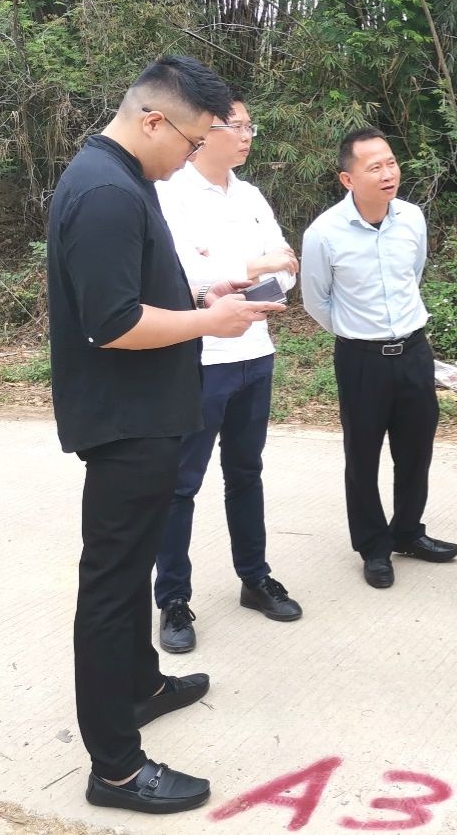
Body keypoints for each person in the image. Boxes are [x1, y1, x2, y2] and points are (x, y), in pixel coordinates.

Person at [47, 55, 284, 814]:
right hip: (126, 423)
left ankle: (141, 687)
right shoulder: (106, 192)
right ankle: (116, 769)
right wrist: (211, 324)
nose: (191, 156)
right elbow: (113, 323)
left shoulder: (123, 178)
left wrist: (206, 294)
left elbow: (138, 288)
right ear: (153, 120)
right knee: (113, 588)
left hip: (149, 414)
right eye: (190, 140)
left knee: (130, 572)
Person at [152, 93, 303, 654]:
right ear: (203, 130)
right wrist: (254, 266)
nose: (245, 136)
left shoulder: (252, 196)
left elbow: (287, 270)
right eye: (235, 126)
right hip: (199, 358)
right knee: (180, 484)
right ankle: (172, 598)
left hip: (255, 353)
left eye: (249, 126)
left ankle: (255, 578)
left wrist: (248, 270)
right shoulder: (170, 194)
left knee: (246, 472)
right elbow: (185, 276)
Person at [301, 127, 457, 590]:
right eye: (375, 167)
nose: (389, 173)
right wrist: (357, 334)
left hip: (414, 351)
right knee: (363, 455)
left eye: (391, 162)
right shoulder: (323, 233)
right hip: (361, 359)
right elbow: (316, 300)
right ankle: (373, 547)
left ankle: (408, 531)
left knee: (416, 449)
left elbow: (414, 272)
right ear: (348, 179)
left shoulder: (412, 218)